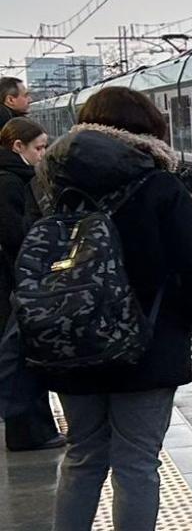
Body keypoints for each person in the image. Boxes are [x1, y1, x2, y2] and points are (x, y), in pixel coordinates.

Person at [35, 86, 192, 531]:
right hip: (146, 343)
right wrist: (177, 319)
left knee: (82, 456)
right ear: (145, 130)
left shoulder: (46, 181)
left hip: (68, 339)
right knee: (136, 463)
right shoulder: (158, 183)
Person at [0, 117, 62, 451]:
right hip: (14, 283)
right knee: (22, 361)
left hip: (15, 281)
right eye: (39, 147)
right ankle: (29, 432)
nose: (43, 153)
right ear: (18, 147)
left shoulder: (16, 177)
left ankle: (35, 430)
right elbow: (15, 236)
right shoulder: (10, 181)